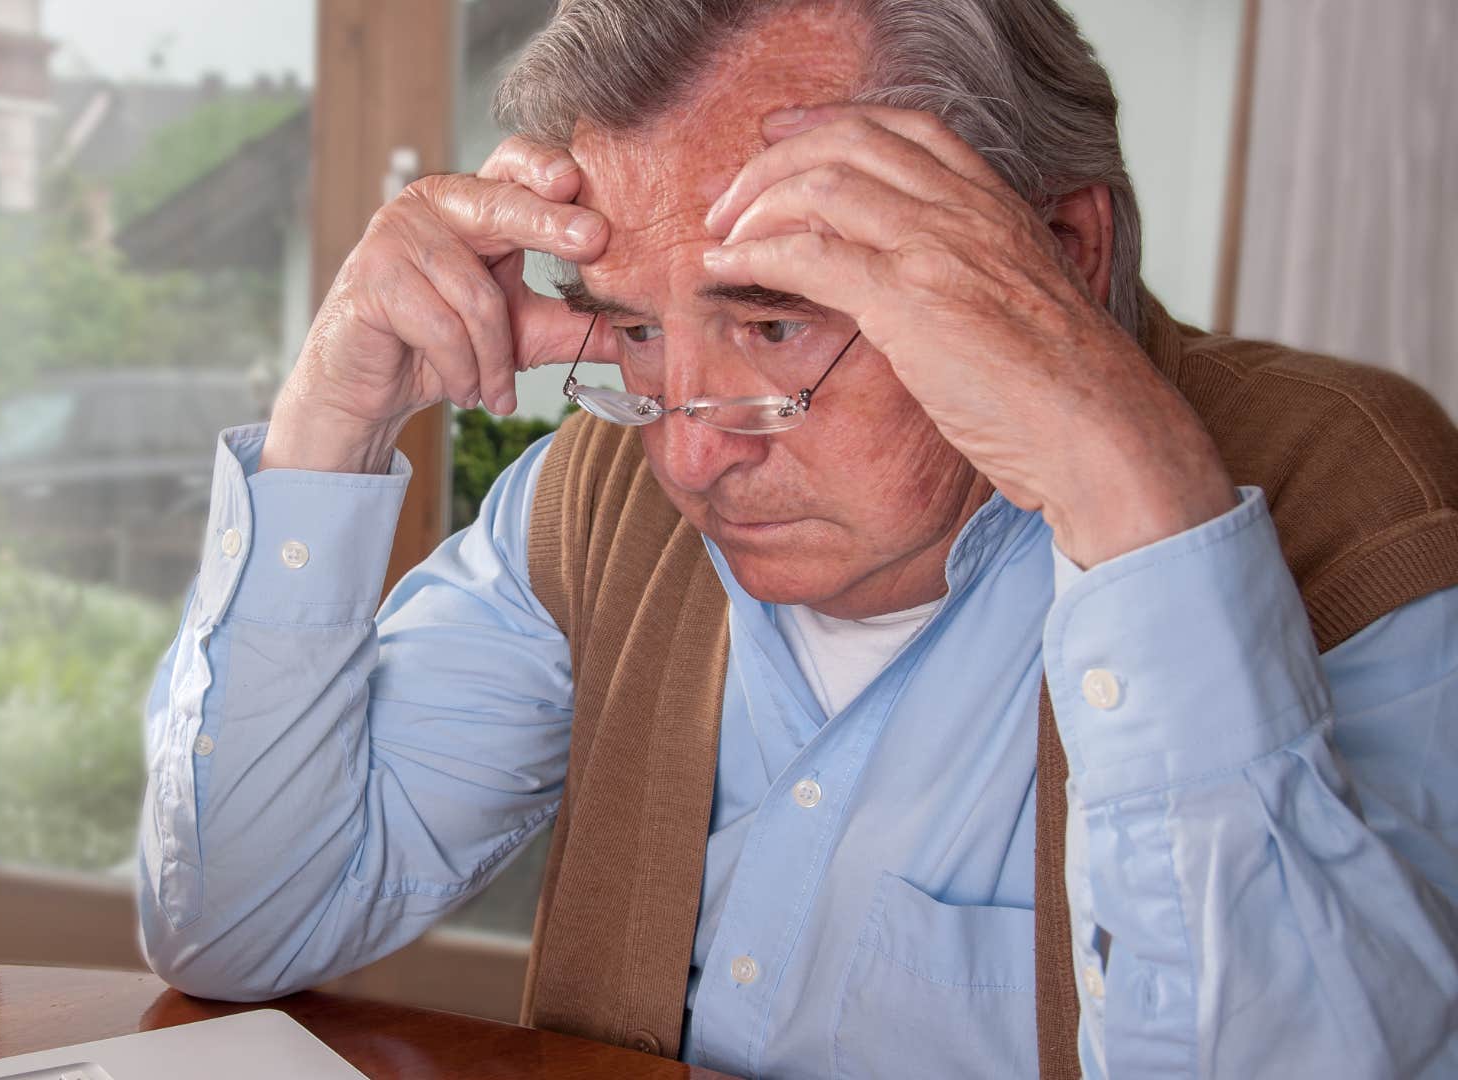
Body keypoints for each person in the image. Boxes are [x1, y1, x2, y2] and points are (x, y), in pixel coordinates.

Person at [135, 1, 1458, 1076]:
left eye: (774, 323)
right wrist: (333, 417)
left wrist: (1125, 487)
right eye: (637, 334)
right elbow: (242, 923)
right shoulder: (602, 490)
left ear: (1054, 254)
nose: (691, 454)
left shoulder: (1349, 497)